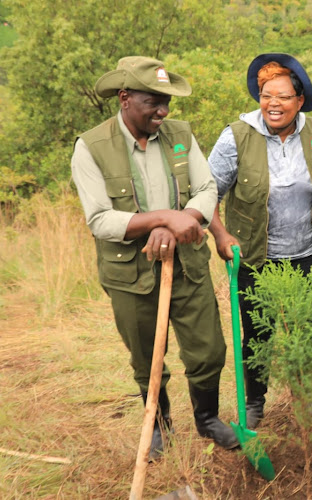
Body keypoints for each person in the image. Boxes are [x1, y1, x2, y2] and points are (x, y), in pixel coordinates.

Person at [71, 56, 238, 460]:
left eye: (167, 102)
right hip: (131, 275)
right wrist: (163, 217)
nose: (163, 111)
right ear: (125, 98)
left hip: (188, 265)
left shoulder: (180, 135)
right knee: (147, 357)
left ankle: (208, 419)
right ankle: (159, 423)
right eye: (153, 102)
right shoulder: (90, 146)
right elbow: (100, 219)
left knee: (209, 350)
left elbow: (206, 188)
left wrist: (181, 220)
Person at [207, 53, 312, 429]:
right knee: (257, 332)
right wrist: (221, 234)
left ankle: (304, 395)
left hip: (304, 256)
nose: (272, 104)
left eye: (282, 96)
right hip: (255, 259)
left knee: (303, 328)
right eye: (265, 95)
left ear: (299, 101)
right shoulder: (236, 136)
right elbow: (206, 192)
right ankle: (255, 402)